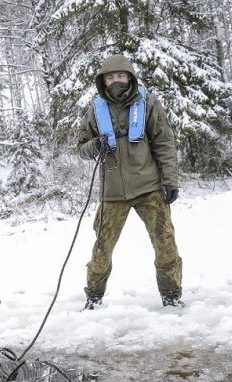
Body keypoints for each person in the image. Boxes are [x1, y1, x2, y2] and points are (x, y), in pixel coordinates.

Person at [77, 54, 183, 309]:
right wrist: (95, 145)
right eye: (110, 77)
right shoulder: (95, 109)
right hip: (112, 193)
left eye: (121, 76)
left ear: (130, 77)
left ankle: (171, 296)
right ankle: (93, 298)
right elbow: (81, 148)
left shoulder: (148, 103)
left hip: (149, 188)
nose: (116, 81)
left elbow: (164, 143)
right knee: (102, 248)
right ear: (103, 81)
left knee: (165, 243)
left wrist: (170, 181)